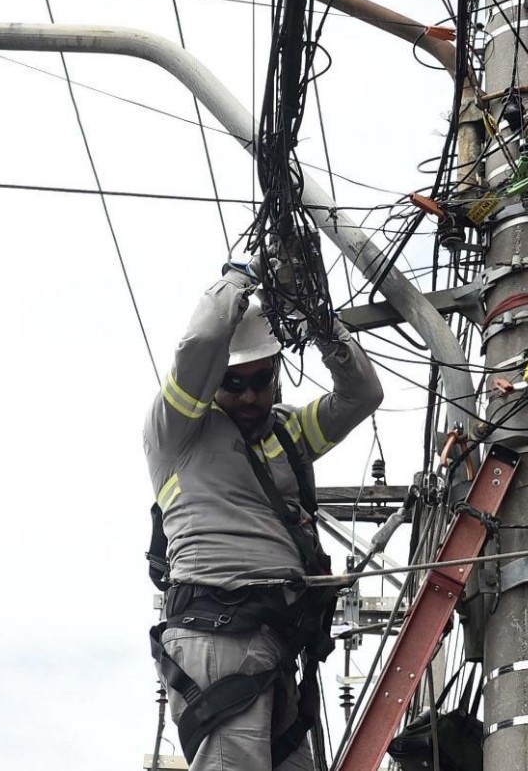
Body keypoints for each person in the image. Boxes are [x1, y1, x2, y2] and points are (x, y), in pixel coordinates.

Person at [144, 260, 383, 771]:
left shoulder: (287, 433)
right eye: (234, 383)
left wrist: (318, 321)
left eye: (261, 380)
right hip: (218, 630)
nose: (250, 396)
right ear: (213, 381)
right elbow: (202, 340)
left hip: (276, 642)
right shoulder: (178, 431)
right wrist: (242, 276)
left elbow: (362, 394)